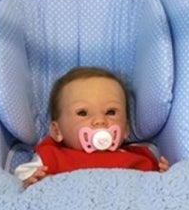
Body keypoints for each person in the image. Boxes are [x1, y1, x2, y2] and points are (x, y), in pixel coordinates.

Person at [15, 67, 170, 188]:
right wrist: (33, 181)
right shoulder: (51, 157)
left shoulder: (140, 159)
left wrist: (165, 176)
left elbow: (155, 190)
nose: (100, 121)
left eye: (111, 112)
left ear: (126, 130)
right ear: (57, 131)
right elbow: (21, 179)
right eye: (83, 113)